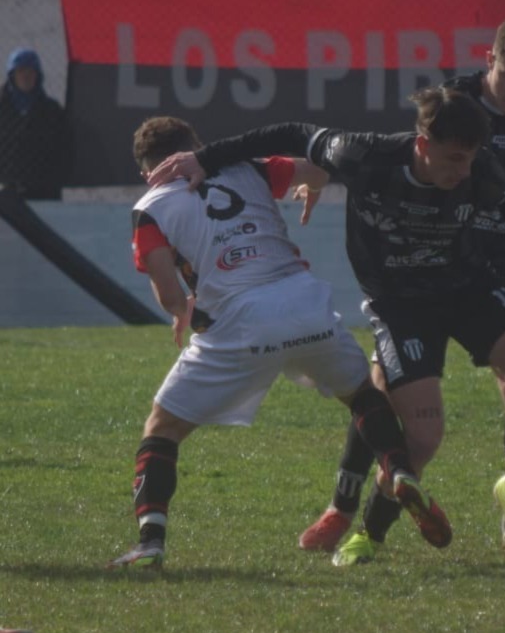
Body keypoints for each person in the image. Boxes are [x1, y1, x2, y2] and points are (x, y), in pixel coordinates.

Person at [146, 87, 505, 566]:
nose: (464, 171)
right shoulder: (364, 154)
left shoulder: (478, 167)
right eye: (454, 159)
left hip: (470, 288)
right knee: (422, 439)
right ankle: (369, 532)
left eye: (471, 160)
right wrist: (206, 158)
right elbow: (291, 132)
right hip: (401, 305)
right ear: (423, 144)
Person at [299, 12, 505, 555]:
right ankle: (343, 509)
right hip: (433, 258)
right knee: (383, 392)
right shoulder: (457, 104)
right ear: (490, 60)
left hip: (496, 264)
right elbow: (399, 151)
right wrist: (323, 166)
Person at [108, 116, 451, 569]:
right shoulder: (246, 168)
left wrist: (181, 312)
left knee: (163, 428)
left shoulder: (149, 207)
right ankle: (400, 469)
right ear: (195, 146)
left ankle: (150, 543)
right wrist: (313, 183)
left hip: (239, 323)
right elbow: (319, 168)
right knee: (363, 396)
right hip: (304, 303)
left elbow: (170, 294)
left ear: (145, 170)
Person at [0, 48, 70, 199]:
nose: (26, 76)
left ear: (38, 76)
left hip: (43, 187)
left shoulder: (51, 110)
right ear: (12, 75)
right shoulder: (2, 107)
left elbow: (64, 146)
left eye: (31, 71)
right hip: (7, 186)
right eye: (21, 71)